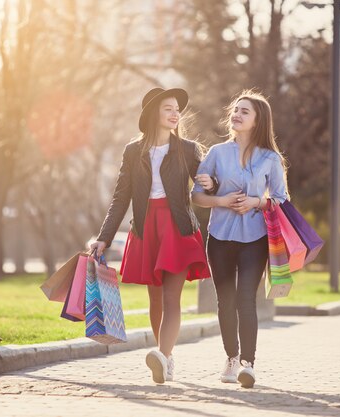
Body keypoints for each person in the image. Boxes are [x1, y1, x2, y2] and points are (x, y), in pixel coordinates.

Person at [90, 87, 216, 384]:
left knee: (172, 297)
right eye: (168, 109)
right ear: (153, 114)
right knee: (155, 299)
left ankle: (161, 354)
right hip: (146, 229)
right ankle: (166, 358)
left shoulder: (187, 148)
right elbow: (121, 197)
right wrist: (104, 237)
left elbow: (208, 183)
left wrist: (211, 182)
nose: (175, 114)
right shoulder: (133, 151)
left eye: (177, 109)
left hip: (178, 230)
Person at [191, 90, 289, 388]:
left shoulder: (270, 159)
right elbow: (197, 196)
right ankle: (231, 358)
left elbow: (282, 200)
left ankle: (248, 363)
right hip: (220, 237)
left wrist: (256, 203)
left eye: (244, 111)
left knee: (246, 297)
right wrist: (221, 201)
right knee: (225, 300)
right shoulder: (217, 154)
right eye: (236, 109)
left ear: (258, 120)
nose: (236, 114)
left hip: (255, 238)